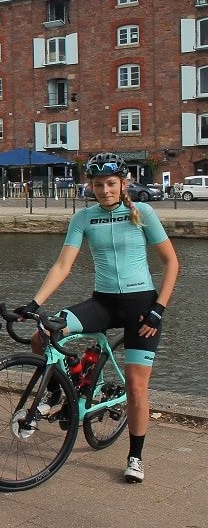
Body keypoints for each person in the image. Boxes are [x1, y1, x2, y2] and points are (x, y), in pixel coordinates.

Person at [16, 152, 179, 484]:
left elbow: (172, 263)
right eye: (98, 185)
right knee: (43, 334)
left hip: (141, 309)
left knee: (136, 386)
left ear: (123, 184)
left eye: (110, 184)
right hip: (103, 303)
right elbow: (63, 266)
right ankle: (59, 393)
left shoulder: (142, 213)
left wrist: (158, 309)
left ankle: (135, 456)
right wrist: (35, 302)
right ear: (90, 186)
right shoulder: (84, 217)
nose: (104, 190)